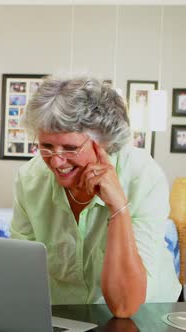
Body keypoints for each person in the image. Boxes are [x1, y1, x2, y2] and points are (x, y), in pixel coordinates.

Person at [10, 76, 180, 318]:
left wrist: (118, 208)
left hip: (146, 314)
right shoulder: (30, 178)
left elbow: (125, 306)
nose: (56, 161)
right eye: (46, 146)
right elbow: (21, 271)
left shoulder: (142, 176)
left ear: (105, 143)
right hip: (66, 316)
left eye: (70, 148)